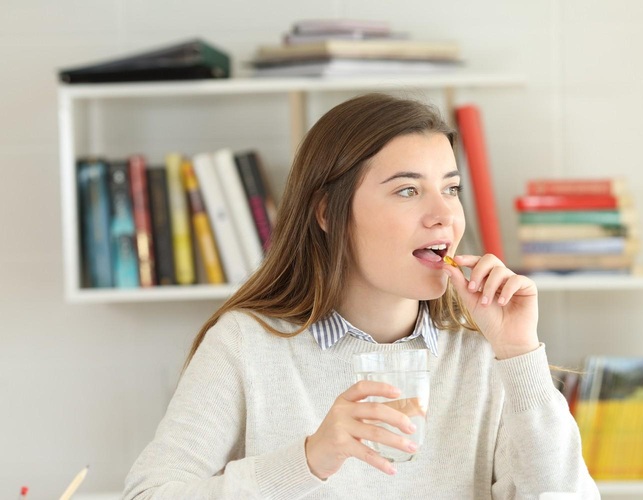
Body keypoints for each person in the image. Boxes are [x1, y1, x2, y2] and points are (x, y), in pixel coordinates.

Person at [123, 93, 601, 499]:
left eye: (451, 189)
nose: (444, 216)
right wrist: (308, 460)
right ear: (328, 213)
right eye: (408, 191)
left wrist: (519, 355)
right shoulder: (246, 344)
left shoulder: (485, 352)